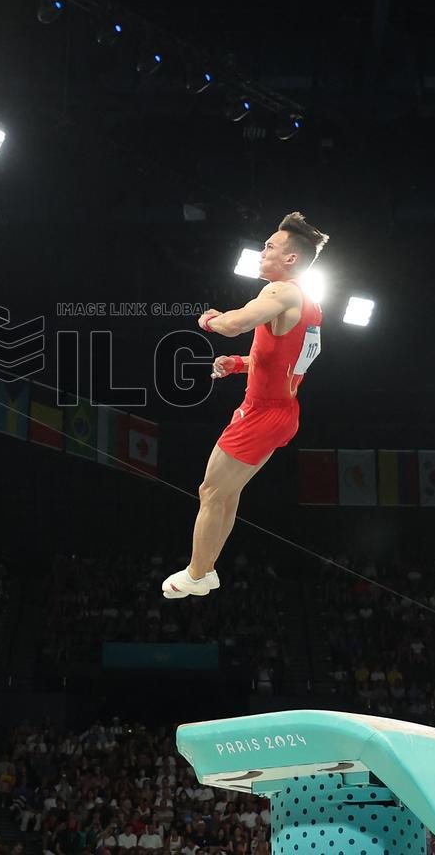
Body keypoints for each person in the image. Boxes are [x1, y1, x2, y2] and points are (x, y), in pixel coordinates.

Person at [163, 211, 329, 598]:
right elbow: (287, 362)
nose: (261, 252)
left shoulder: (281, 292)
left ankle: (197, 573)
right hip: (284, 412)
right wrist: (238, 364)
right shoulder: (311, 303)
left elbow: (234, 325)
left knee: (210, 491)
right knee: (226, 493)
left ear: (291, 259)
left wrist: (211, 321)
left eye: (269, 246)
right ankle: (206, 571)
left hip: (262, 413)